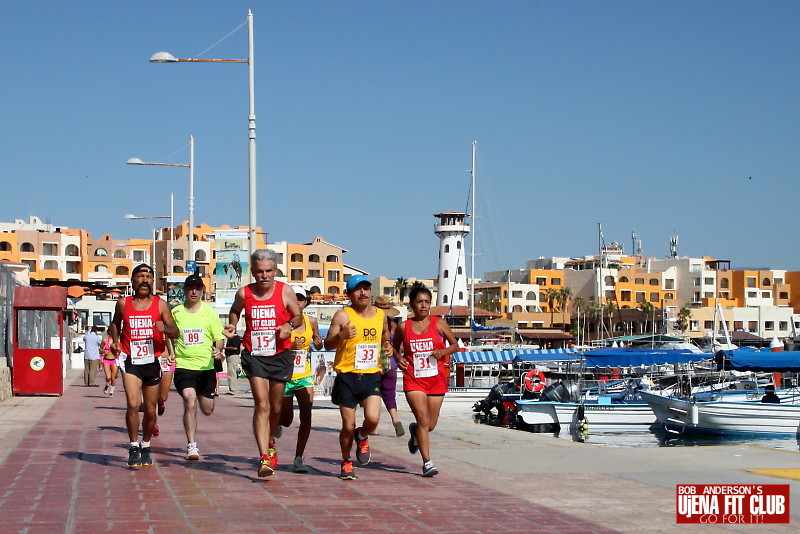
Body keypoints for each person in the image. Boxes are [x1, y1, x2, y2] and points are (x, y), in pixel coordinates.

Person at [224, 249, 302, 477]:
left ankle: (270, 440)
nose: (264, 276)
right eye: (259, 272)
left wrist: (289, 326)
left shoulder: (285, 291)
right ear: (253, 272)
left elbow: (297, 316)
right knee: (262, 403)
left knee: (276, 407)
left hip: (279, 354)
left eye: (269, 271)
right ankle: (264, 457)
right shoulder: (244, 293)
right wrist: (232, 325)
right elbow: (235, 311)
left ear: (275, 271)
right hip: (254, 354)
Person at [109, 264, 179, 468]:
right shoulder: (124, 303)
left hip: (153, 360)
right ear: (133, 281)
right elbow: (115, 323)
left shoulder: (160, 304)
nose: (145, 280)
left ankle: (146, 445)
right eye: (140, 276)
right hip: (131, 360)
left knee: (150, 410)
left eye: (148, 276)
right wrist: (115, 340)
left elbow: (176, 332)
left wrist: (165, 328)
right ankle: (133, 446)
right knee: (132, 404)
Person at [324, 275, 393, 480]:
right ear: (349, 294)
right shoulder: (342, 316)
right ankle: (346, 461)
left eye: (366, 288)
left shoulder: (380, 315)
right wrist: (341, 336)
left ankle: (362, 436)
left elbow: (385, 336)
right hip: (347, 376)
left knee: (372, 419)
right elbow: (328, 344)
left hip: (371, 374)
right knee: (347, 425)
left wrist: (387, 346)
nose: (363, 293)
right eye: (357, 289)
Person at [392, 285, 458, 476]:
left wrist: (442, 352)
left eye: (427, 302)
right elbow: (395, 348)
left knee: (430, 425)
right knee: (422, 419)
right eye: (419, 302)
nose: (423, 306)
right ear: (412, 304)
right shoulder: (404, 326)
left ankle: (415, 434)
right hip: (413, 379)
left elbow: (454, 345)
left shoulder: (439, 323)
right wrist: (398, 358)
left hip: (436, 379)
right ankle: (427, 462)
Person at [170, 274, 226, 461]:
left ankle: (204, 397)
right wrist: (171, 353)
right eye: (190, 287)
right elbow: (169, 336)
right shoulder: (175, 312)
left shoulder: (209, 312)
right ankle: (191, 445)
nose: (194, 291)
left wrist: (218, 351)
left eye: (198, 288)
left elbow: (219, 337)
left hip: (206, 367)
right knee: (189, 399)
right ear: (185, 290)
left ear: (202, 290)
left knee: (207, 409)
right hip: (184, 365)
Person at [277, 285, 323, 473]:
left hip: (304, 375)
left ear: (306, 302)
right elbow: (272, 348)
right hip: (285, 376)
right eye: (293, 298)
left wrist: (319, 343)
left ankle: (298, 457)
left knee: (307, 414)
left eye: (301, 299)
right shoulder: (281, 322)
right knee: (288, 420)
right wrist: (289, 346)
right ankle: (279, 421)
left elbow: (318, 344)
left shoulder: (311, 321)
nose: (297, 302)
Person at [374, 295, 404, 437]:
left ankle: (373, 426)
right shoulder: (394, 326)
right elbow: (400, 347)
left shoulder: (373, 323)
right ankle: (395, 419)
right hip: (390, 363)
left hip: (374, 363)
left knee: (374, 396)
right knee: (390, 395)